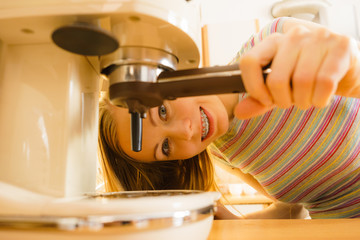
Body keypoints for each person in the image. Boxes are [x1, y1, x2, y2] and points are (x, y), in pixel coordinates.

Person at [98, 16, 360, 219]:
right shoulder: (224, 153)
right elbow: (294, 208)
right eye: (165, 147)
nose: (185, 132)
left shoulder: (275, 40)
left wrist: (354, 70)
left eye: (163, 112)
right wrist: (231, 221)